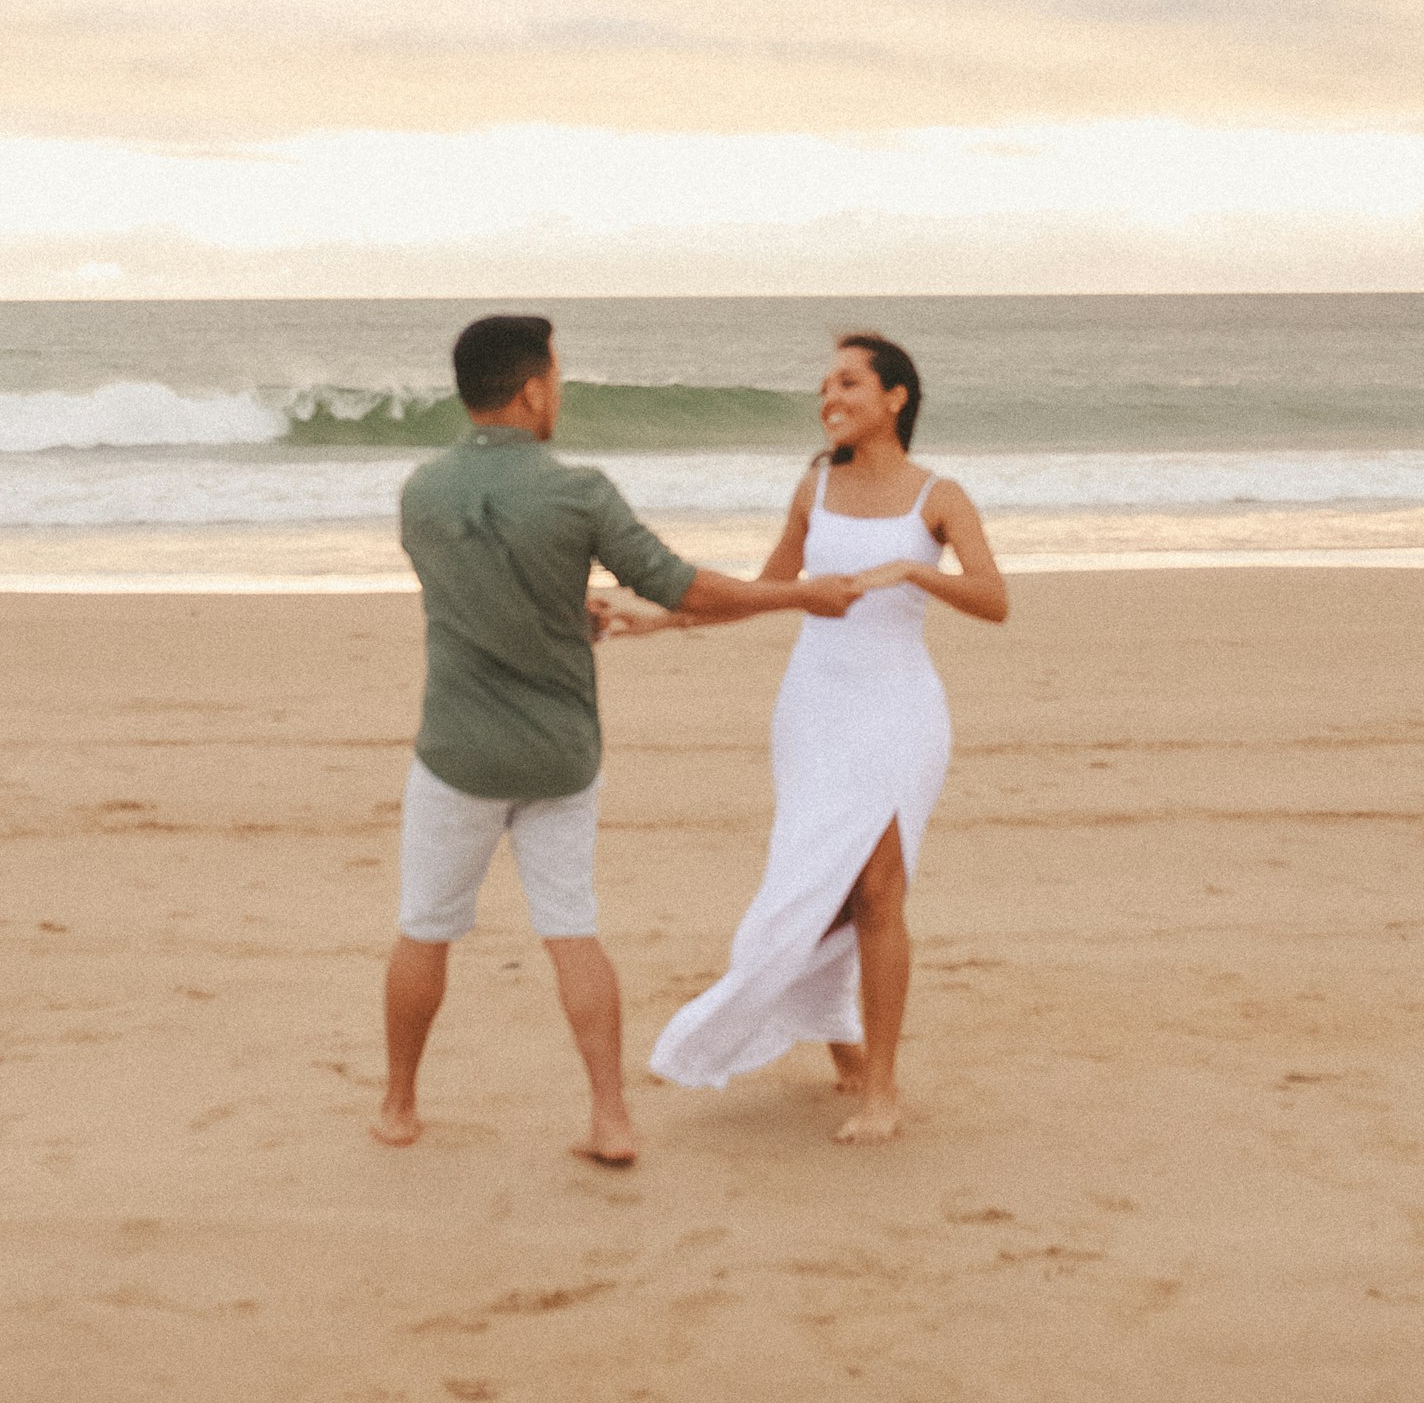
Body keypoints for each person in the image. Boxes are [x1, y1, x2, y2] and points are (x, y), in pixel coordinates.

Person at [375, 311, 860, 1165]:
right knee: (572, 929)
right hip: (561, 755)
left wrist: (561, 612)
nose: (557, 391)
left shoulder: (420, 491)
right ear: (531, 389)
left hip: (457, 751)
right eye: (555, 377)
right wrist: (796, 595)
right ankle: (610, 1118)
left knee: (425, 929)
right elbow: (685, 588)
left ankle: (399, 1109)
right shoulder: (580, 491)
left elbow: (474, 602)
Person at [616, 331, 1007, 1143]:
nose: (830, 397)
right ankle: (843, 1051)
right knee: (817, 886)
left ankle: (881, 1090)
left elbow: (993, 597)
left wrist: (913, 571)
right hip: (814, 709)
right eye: (825, 384)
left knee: (877, 892)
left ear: (895, 397)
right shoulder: (814, 488)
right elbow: (762, 591)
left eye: (849, 382)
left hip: (898, 710)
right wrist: (657, 620)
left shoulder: (939, 495)